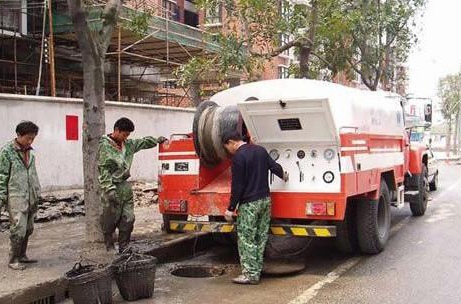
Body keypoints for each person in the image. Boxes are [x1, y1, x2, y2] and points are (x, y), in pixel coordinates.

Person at [222, 131, 288, 284]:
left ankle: (250, 275)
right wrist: (284, 175)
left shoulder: (238, 157)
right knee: (261, 237)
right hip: (265, 201)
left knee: (246, 239)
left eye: (227, 147)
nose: (228, 150)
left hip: (249, 204)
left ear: (232, 142)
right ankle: (256, 271)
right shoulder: (260, 150)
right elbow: (275, 167)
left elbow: (237, 186)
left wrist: (231, 208)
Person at [99, 117, 167, 253]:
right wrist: (109, 189)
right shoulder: (105, 146)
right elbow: (103, 169)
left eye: (128, 135)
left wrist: (157, 140)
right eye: (124, 134)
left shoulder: (128, 145)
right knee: (110, 219)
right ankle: (109, 245)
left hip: (125, 186)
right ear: (116, 131)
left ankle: (124, 246)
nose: (126, 137)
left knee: (128, 218)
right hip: (111, 186)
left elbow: (142, 142)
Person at [0, 121, 41, 270]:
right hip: (16, 196)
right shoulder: (6, 152)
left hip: (31, 194)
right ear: (18, 135)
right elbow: (2, 176)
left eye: (33, 138)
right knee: (18, 228)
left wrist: (37, 191)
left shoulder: (31, 152)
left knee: (29, 228)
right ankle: (13, 258)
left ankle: (23, 254)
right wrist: (1, 197)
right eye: (28, 138)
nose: (30, 141)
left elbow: (33, 173)